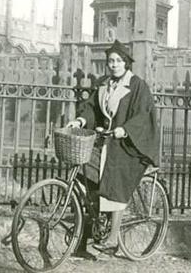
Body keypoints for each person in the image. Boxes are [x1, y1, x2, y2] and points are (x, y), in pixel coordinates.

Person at [67, 39, 159, 256]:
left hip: (130, 146)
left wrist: (125, 130)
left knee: (113, 172)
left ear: (126, 63)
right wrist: (80, 121)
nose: (114, 64)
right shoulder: (103, 84)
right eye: (111, 61)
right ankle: (88, 231)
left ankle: (113, 238)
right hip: (107, 142)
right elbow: (91, 109)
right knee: (84, 168)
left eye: (118, 61)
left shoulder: (137, 86)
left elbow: (144, 116)